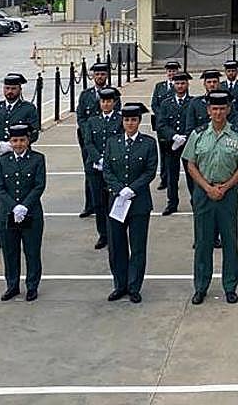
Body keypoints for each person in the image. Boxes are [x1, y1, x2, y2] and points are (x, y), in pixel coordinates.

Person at [184, 90, 238, 305]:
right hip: (204, 194)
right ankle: (201, 287)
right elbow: (190, 164)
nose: (218, 113)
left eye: (222, 108)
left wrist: (225, 187)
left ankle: (230, 286)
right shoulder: (198, 134)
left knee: (230, 241)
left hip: (228, 193)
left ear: (228, 110)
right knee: (203, 241)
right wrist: (207, 187)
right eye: (214, 109)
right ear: (208, 110)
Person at [102, 102, 158, 303]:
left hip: (139, 202)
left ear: (139, 121)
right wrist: (119, 189)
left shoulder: (148, 143)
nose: (130, 123)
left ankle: (134, 286)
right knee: (116, 246)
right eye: (126, 120)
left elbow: (150, 171)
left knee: (137, 246)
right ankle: (120, 284)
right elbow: (107, 169)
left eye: (134, 120)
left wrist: (132, 189)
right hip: (116, 202)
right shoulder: (112, 142)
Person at [0, 73, 40, 252]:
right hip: (0, 160)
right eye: (7, 88)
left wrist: (17, 144)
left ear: (20, 89)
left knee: (22, 195)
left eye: (13, 88)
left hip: (22, 160)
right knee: (1, 198)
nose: (10, 91)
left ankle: (23, 230)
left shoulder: (28, 108)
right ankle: (0, 235)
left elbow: (35, 132)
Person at [0, 123, 46, 301]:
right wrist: (13, 207)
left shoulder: (38, 159)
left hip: (31, 213)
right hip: (7, 214)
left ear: (28, 140)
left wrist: (25, 206)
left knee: (32, 251)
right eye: (14, 140)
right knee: (10, 251)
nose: (18, 144)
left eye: (22, 140)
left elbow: (39, 185)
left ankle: (32, 286)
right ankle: (12, 285)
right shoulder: (2, 161)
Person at [83, 87, 123, 249]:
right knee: (99, 202)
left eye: (109, 101)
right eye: (103, 101)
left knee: (113, 201)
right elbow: (88, 142)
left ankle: (115, 232)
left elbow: (120, 141)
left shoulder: (120, 120)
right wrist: (98, 158)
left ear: (114, 102)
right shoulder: (92, 121)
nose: (106, 104)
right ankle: (103, 234)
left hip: (113, 167)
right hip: (95, 167)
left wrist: (108, 160)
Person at [76, 62, 115, 214]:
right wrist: (88, 132)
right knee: (90, 169)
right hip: (88, 138)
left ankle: (106, 202)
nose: (100, 77)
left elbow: (117, 116)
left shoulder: (113, 93)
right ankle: (90, 204)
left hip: (108, 138)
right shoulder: (86, 95)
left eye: (103, 74)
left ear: (107, 75)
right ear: (92, 76)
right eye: (97, 74)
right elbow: (81, 116)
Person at [156, 72, 193, 215]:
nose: (180, 86)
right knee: (172, 176)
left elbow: (196, 122)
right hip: (172, 145)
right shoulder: (166, 103)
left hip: (188, 144)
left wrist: (186, 136)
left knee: (192, 175)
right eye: (177, 83)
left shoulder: (192, 102)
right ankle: (172, 203)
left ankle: (194, 201)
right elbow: (161, 124)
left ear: (187, 84)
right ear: (173, 85)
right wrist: (173, 136)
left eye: (183, 83)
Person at [151, 60, 182, 190]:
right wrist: (161, 116)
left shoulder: (179, 85)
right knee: (164, 154)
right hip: (163, 125)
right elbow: (154, 104)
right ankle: (164, 179)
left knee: (176, 155)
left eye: (174, 71)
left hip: (176, 125)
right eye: (169, 71)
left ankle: (173, 179)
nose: (171, 73)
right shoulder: (160, 86)